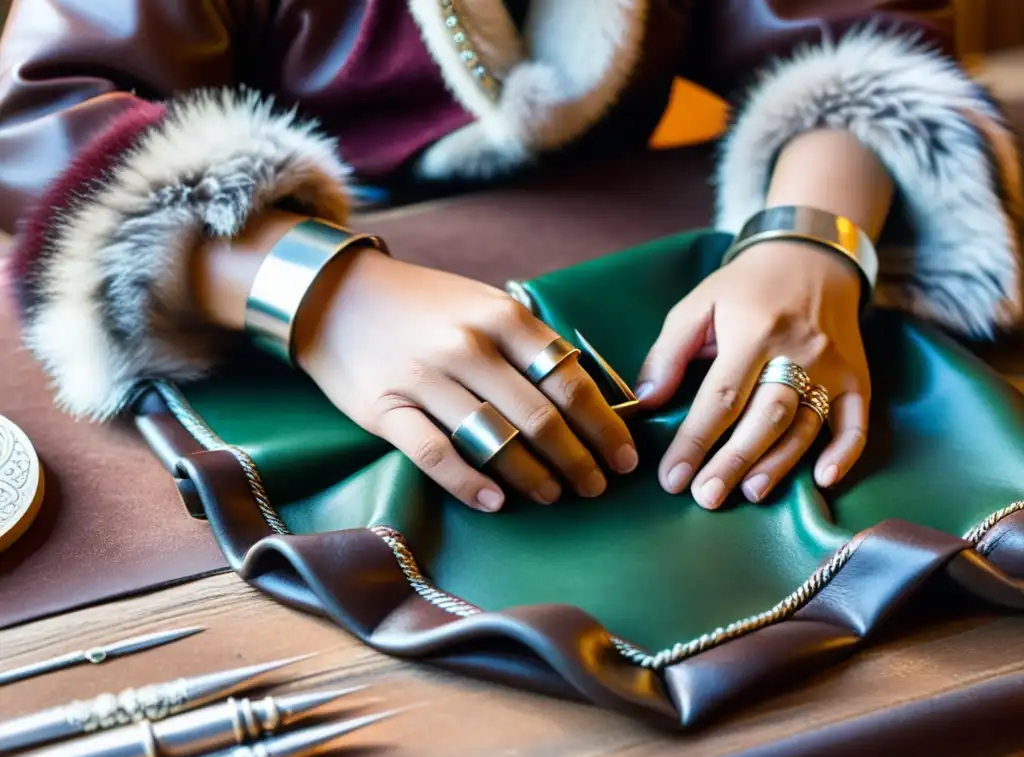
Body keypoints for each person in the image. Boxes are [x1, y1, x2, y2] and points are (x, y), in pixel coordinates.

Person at [0, 1, 1020, 515]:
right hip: (262, 326)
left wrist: (814, 234)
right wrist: (316, 291)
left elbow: (849, 34)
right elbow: (47, 122)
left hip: (628, 257)